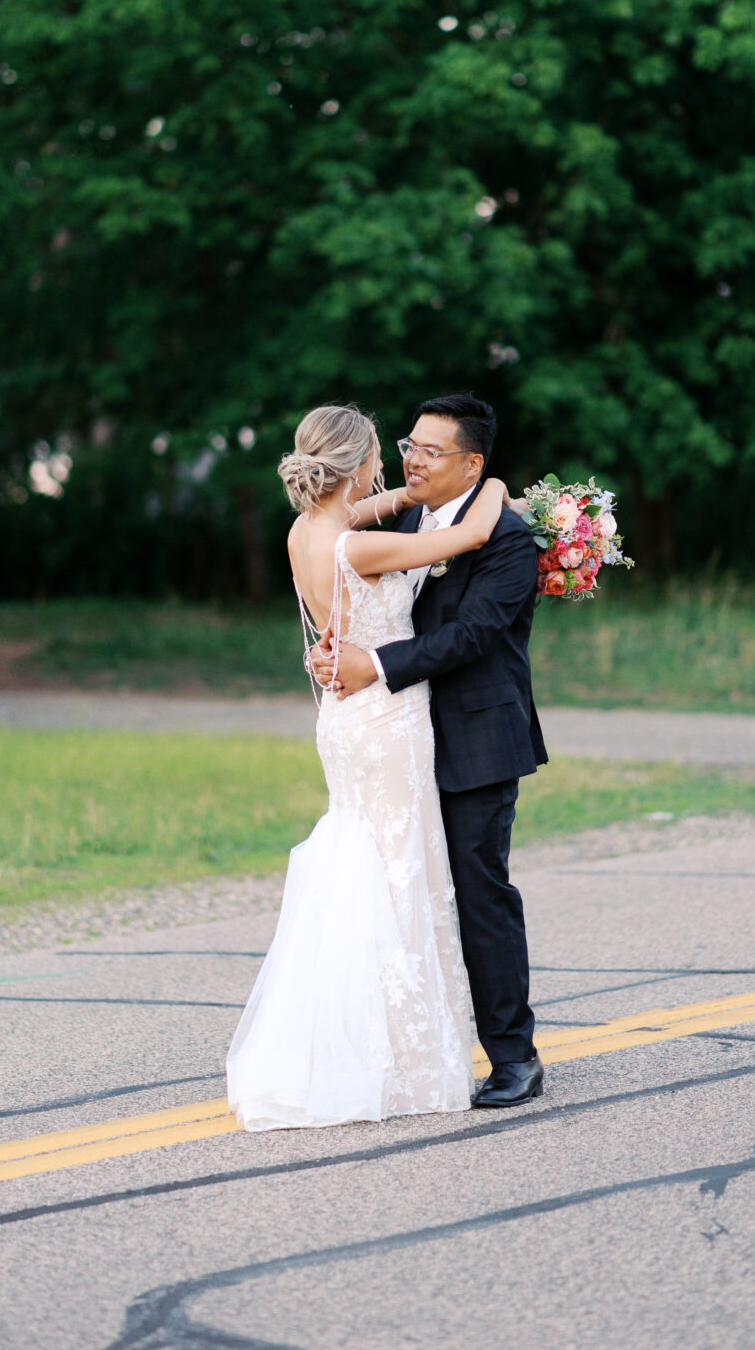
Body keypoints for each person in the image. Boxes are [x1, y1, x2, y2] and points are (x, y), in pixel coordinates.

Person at [225, 403, 509, 1131]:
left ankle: (349, 1046)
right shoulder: (359, 549)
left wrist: (410, 494)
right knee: (400, 875)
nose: (392, 464)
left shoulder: (307, 531)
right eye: (384, 454)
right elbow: (469, 534)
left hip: (346, 719)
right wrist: (501, 488)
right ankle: (397, 1059)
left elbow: (382, 507)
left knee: (365, 865)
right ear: (355, 465)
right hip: (386, 720)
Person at [315, 394, 547, 1108]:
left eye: (428, 450)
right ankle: (416, 1050)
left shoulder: (507, 539)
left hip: (476, 736)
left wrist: (374, 666)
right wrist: (330, 649)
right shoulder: (405, 517)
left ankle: (514, 1056)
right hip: (397, 739)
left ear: (471, 464)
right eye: (408, 445)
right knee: (403, 891)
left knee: (478, 895)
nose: (411, 459)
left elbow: (472, 635)